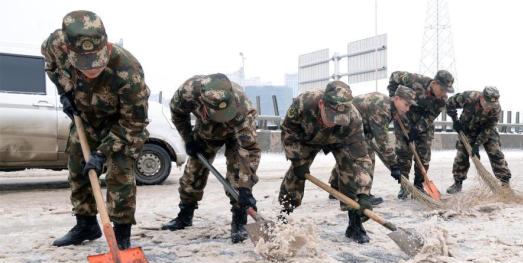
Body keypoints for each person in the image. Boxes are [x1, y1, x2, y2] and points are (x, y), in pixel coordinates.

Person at [42, 10, 150, 249]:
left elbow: (135, 123)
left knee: (120, 175)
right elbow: (51, 66)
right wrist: (64, 93)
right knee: (78, 169)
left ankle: (121, 237)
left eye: (97, 62)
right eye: (84, 64)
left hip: (121, 124)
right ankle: (86, 225)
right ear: (69, 50)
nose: (92, 69)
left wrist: (102, 153)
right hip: (87, 118)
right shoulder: (56, 45)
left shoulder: (128, 70)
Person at [162, 73, 261, 244]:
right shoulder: (188, 92)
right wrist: (188, 138)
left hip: (236, 135)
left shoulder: (243, 109)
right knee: (193, 173)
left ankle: (239, 220)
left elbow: (248, 149)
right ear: (203, 104)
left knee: (238, 177)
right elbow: (178, 113)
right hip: (206, 131)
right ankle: (185, 215)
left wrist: (245, 188)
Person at [278, 81, 373, 244]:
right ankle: (283, 216)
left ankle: (355, 223)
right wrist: (296, 160)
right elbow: (288, 131)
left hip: (339, 140)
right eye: (331, 116)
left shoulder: (353, 118)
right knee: (295, 175)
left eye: (339, 119)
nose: (333, 122)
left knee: (351, 171)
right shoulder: (303, 104)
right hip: (308, 138)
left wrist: (363, 193)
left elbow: (361, 158)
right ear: (321, 104)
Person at [328, 85, 418, 204]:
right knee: (367, 157)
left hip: (355, 126)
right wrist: (394, 165)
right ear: (396, 98)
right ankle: (364, 194)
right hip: (344, 125)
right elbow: (382, 140)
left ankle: (335, 187)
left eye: (410, 106)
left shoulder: (389, 106)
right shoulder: (382, 108)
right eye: (406, 104)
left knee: (348, 156)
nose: (407, 109)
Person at [387, 70, 455, 199]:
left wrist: (417, 130)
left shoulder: (442, 99)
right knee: (404, 153)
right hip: (403, 117)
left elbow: (430, 117)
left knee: (423, 155)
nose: (444, 93)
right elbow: (394, 76)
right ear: (434, 83)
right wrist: (393, 99)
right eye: (442, 89)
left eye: (446, 91)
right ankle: (404, 186)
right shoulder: (414, 80)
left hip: (423, 124)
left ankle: (418, 185)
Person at [446, 86, 511, 193]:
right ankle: (457, 183)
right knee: (462, 154)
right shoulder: (468, 97)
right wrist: (455, 120)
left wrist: (477, 145)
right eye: (487, 104)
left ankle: (505, 182)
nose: (489, 108)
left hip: (486, 131)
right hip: (468, 129)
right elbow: (450, 103)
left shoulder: (496, 108)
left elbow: (489, 128)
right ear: (481, 98)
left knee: (495, 152)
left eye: (492, 105)